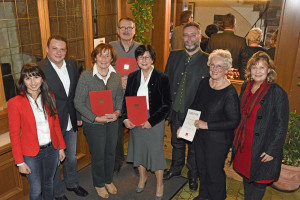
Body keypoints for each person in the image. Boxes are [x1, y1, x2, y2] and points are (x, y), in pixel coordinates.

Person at [178, 49, 240, 200]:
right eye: (212, 65)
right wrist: (185, 126)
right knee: (202, 168)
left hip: (218, 140)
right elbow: (194, 106)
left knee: (214, 172)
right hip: (200, 136)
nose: (215, 69)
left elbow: (234, 121)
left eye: (219, 66)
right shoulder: (204, 82)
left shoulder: (230, 92)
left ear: (226, 69)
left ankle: (218, 197)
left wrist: (207, 125)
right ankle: (204, 195)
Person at [233, 51, 289, 200]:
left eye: (261, 68)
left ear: (269, 70)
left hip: (263, 147)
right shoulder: (246, 86)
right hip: (245, 144)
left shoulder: (277, 93)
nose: (257, 71)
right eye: (254, 67)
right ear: (249, 70)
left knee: (258, 183)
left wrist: (272, 150)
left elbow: (281, 125)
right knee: (247, 177)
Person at [39, 35, 88, 200]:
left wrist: (78, 114)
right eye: (54, 48)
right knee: (54, 162)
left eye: (62, 49)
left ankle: (72, 183)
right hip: (51, 124)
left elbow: (74, 93)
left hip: (71, 119)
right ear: (47, 49)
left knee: (71, 157)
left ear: (66, 51)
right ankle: (58, 193)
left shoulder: (72, 64)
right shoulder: (40, 69)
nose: (58, 52)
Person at [8, 63, 66, 200]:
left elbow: (56, 124)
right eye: (28, 78)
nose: (33, 82)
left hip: (52, 149)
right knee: (36, 188)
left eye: (36, 77)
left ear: (42, 79)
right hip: (31, 153)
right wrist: (20, 162)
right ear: (23, 81)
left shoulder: (49, 96)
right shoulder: (15, 103)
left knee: (49, 183)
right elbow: (14, 135)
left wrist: (61, 147)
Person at [164, 22, 210, 191]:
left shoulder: (208, 60)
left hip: (195, 114)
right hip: (176, 110)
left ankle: (192, 175)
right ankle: (175, 170)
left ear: (200, 37)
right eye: (186, 35)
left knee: (193, 148)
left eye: (193, 35)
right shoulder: (174, 56)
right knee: (176, 142)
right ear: (182, 37)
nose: (189, 38)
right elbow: (166, 82)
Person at [122, 45, 171, 200]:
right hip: (135, 118)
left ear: (153, 59)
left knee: (155, 153)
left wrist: (151, 121)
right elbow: (126, 100)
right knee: (139, 151)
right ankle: (142, 178)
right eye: (141, 57)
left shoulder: (162, 78)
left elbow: (166, 105)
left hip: (155, 119)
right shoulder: (132, 76)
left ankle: (159, 185)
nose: (144, 60)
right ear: (136, 59)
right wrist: (125, 118)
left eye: (147, 57)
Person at [74, 43, 123, 199]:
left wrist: (117, 112)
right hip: (94, 124)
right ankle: (99, 183)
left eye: (107, 55)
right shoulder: (86, 77)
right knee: (99, 155)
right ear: (94, 57)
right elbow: (78, 102)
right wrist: (95, 118)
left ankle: (108, 180)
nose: (104, 58)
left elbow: (119, 97)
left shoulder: (116, 76)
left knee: (110, 153)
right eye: (100, 55)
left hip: (112, 122)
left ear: (112, 59)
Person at [109, 17, 141, 173]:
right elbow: (102, 70)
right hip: (115, 97)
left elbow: (147, 71)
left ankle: (136, 161)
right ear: (118, 30)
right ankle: (118, 160)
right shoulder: (110, 48)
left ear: (135, 31)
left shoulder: (141, 48)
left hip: (135, 98)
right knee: (116, 133)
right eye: (123, 28)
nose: (126, 31)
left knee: (137, 131)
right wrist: (117, 81)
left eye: (130, 28)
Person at [206, 13, 248, 79]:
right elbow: (244, 64)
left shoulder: (213, 38)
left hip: (215, 76)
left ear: (223, 25)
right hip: (233, 78)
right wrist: (242, 79)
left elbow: (207, 58)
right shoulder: (241, 41)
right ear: (234, 25)